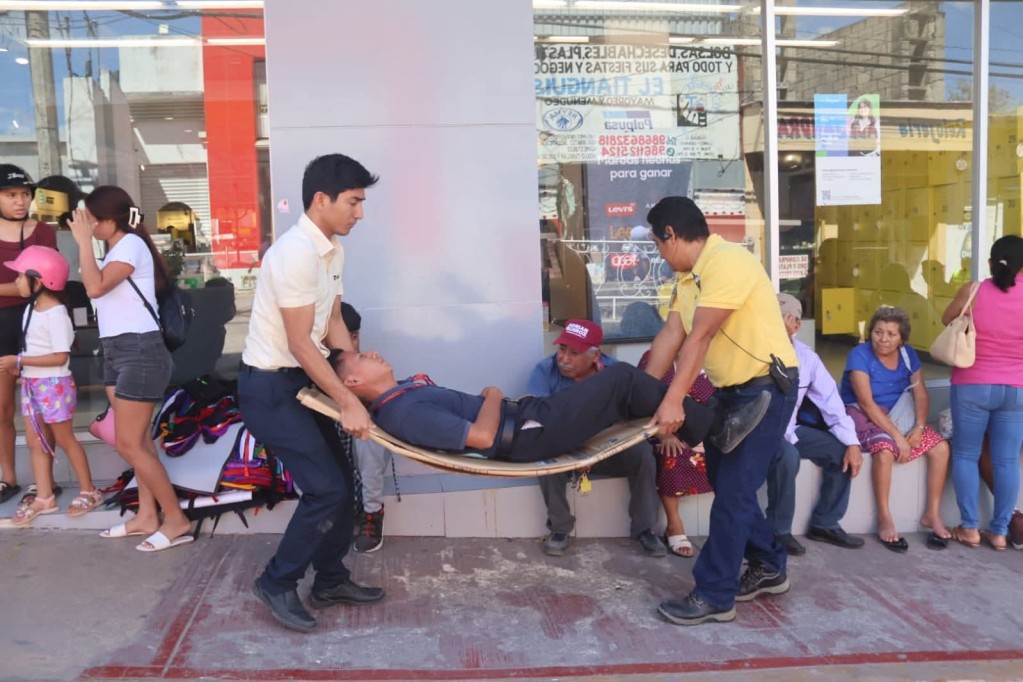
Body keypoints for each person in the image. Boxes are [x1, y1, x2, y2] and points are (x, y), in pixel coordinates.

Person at [237, 154, 385, 633]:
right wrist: (345, 400)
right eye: (353, 202)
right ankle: (277, 581)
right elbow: (301, 342)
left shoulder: (331, 248)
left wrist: (354, 383)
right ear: (321, 200)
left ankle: (330, 579)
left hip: (305, 379)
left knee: (344, 485)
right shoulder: (294, 253)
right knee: (327, 489)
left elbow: (334, 320)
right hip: (271, 387)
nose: (359, 212)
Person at [640, 196, 800, 627]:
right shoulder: (689, 279)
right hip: (731, 392)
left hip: (765, 389)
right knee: (732, 488)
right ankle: (769, 565)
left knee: (730, 495)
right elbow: (671, 337)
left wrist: (673, 400)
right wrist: (640, 396)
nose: (659, 253)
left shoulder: (728, 262)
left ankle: (714, 595)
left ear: (671, 235)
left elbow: (700, 338)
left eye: (658, 245)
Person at [69, 186, 193, 553]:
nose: (87, 225)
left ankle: (176, 520)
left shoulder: (130, 247)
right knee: (137, 442)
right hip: (116, 349)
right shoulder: (115, 249)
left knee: (128, 443)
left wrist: (82, 244)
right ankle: (147, 515)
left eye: (91, 219)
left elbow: (94, 288)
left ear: (109, 220)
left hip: (139, 349)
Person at [525, 319, 666, 558]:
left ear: (595, 354)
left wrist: (599, 448)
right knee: (543, 458)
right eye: (562, 349)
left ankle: (644, 529)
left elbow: (634, 421)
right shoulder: (545, 370)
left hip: (606, 448)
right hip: (563, 447)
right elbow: (536, 416)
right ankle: (560, 528)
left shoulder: (617, 373)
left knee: (642, 454)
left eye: (574, 353)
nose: (564, 359)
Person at [0, 246, 102, 524]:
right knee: (35, 442)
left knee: (66, 439)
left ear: (40, 281)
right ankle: (44, 496)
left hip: (54, 385)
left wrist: (18, 361)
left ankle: (89, 490)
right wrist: (23, 367)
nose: (17, 282)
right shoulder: (31, 309)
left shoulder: (56, 314)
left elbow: (60, 356)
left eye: (21, 276)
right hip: (33, 384)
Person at [840, 306, 951, 553]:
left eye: (891, 334)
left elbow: (920, 394)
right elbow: (867, 403)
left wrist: (920, 427)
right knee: (884, 450)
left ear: (902, 338)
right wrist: (899, 437)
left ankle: (931, 514)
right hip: (863, 414)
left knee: (941, 448)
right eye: (878, 332)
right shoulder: (859, 355)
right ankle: (884, 517)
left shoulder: (908, 355)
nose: (883, 339)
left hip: (900, 413)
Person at [764, 294, 865, 556]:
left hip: (789, 429)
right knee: (788, 456)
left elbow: (832, 404)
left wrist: (852, 443)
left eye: (782, 320)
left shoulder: (807, 358)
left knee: (841, 450)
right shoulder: (751, 349)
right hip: (755, 432)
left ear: (796, 325)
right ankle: (778, 531)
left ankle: (825, 522)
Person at [942, 235, 1023, 551]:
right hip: (1016, 388)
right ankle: (1000, 532)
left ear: (991, 262)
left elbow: (947, 319)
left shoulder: (973, 290)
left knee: (965, 454)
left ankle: (970, 528)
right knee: (1006, 461)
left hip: (972, 383)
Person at [0, 164, 57, 504]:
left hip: (38, 323)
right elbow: (28, 287)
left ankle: (44, 481)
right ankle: (8, 478)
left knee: (40, 407)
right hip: (2, 326)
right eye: (10, 195)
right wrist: (19, 288)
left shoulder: (44, 232)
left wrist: (19, 289)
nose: (20, 201)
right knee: (3, 408)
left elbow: (48, 282)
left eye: (24, 194)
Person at [636, 349, 714, 559]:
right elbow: (641, 401)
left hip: (706, 431)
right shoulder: (656, 358)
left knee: (733, 456)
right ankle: (674, 524)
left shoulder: (715, 360)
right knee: (672, 453)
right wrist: (664, 435)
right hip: (664, 431)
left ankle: (727, 528)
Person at [342, 301, 393, 554]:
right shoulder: (320, 365)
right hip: (334, 443)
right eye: (347, 337)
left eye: (355, 337)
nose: (353, 344)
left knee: (368, 435)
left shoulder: (366, 362)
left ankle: (372, 513)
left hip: (362, 436)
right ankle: (325, 511)